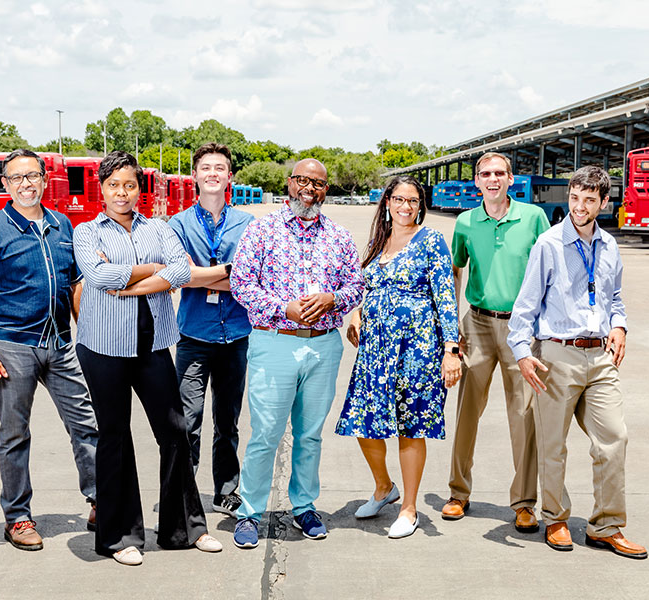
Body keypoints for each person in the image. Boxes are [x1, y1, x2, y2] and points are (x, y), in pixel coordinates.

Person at [72, 151, 220, 566]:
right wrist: (150, 268)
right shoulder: (86, 232)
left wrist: (135, 283)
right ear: (101, 189)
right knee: (115, 436)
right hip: (103, 347)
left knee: (174, 432)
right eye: (114, 185)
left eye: (130, 185)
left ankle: (187, 529)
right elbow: (98, 277)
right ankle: (121, 537)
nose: (122, 193)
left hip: (153, 344)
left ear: (141, 188)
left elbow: (181, 270)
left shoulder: (158, 226)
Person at [507, 166, 647, 559]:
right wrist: (523, 354)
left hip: (601, 356)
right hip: (558, 355)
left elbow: (614, 298)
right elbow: (525, 307)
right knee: (554, 445)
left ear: (604, 202)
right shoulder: (549, 244)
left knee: (613, 438)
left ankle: (606, 526)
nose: (579, 207)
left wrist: (620, 327)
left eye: (589, 200)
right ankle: (555, 518)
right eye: (574, 198)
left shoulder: (610, 246)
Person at [0, 148, 98, 552]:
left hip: (60, 344)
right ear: (5, 184)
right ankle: (17, 517)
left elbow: (74, 285)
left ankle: (99, 500)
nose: (26, 183)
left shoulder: (62, 224)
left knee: (86, 425)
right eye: (16, 177)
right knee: (15, 434)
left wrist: (85, 334)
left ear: (43, 180)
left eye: (32, 176)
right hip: (12, 347)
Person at [228, 158, 363, 549]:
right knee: (266, 433)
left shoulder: (337, 236)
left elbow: (356, 286)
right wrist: (282, 307)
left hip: (322, 345)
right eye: (303, 180)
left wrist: (332, 297)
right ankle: (250, 512)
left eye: (318, 183)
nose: (310, 188)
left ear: (326, 189)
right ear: (290, 184)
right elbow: (241, 283)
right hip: (275, 340)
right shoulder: (262, 229)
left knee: (310, 434)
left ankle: (304, 505)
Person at [335, 176, 462, 539]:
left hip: (418, 347)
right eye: (399, 199)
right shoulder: (378, 241)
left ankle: (409, 507)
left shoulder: (431, 241)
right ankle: (383, 487)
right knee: (362, 422)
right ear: (387, 201)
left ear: (420, 204)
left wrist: (451, 351)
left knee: (411, 426)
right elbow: (363, 287)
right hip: (375, 350)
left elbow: (445, 297)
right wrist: (356, 314)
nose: (406, 206)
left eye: (413, 200)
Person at [443, 152, 550, 533]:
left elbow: (548, 270)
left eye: (499, 173)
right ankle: (458, 492)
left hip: (523, 331)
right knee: (466, 412)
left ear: (511, 179)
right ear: (477, 181)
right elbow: (456, 271)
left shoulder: (534, 218)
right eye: (485, 173)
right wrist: (451, 326)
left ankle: (524, 503)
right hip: (477, 325)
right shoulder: (466, 222)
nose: (492, 179)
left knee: (524, 417)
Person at [168, 143, 254, 518]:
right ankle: (185, 493)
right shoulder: (177, 225)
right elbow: (180, 275)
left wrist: (203, 275)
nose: (213, 173)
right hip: (193, 337)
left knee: (227, 422)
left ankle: (226, 491)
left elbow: (253, 279)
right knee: (187, 420)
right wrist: (229, 273)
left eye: (220, 167)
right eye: (206, 168)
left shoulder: (250, 225)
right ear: (195, 176)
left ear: (229, 176)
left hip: (236, 335)